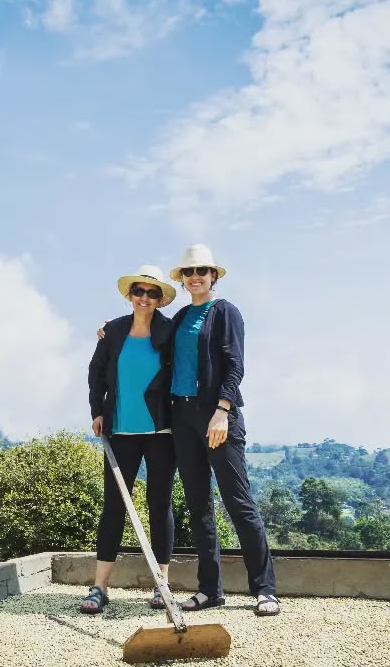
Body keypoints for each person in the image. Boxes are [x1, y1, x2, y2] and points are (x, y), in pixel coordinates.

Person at [166, 244, 280, 616]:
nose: (195, 276)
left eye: (202, 270)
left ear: (213, 275)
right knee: (198, 506)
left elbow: (235, 365)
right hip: (182, 418)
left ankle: (265, 590)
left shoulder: (226, 312)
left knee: (238, 503)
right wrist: (109, 330)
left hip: (217, 416)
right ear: (182, 280)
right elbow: (148, 339)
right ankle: (209, 590)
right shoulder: (181, 316)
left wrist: (222, 411)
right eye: (188, 271)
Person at [81, 265, 178, 615]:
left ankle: (161, 584)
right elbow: (95, 375)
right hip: (119, 432)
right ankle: (99, 587)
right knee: (114, 506)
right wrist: (97, 411)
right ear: (129, 295)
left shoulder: (170, 330)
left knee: (159, 504)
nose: (145, 298)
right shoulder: (114, 332)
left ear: (159, 299)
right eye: (139, 291)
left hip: (161, 434)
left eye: (153, 293)